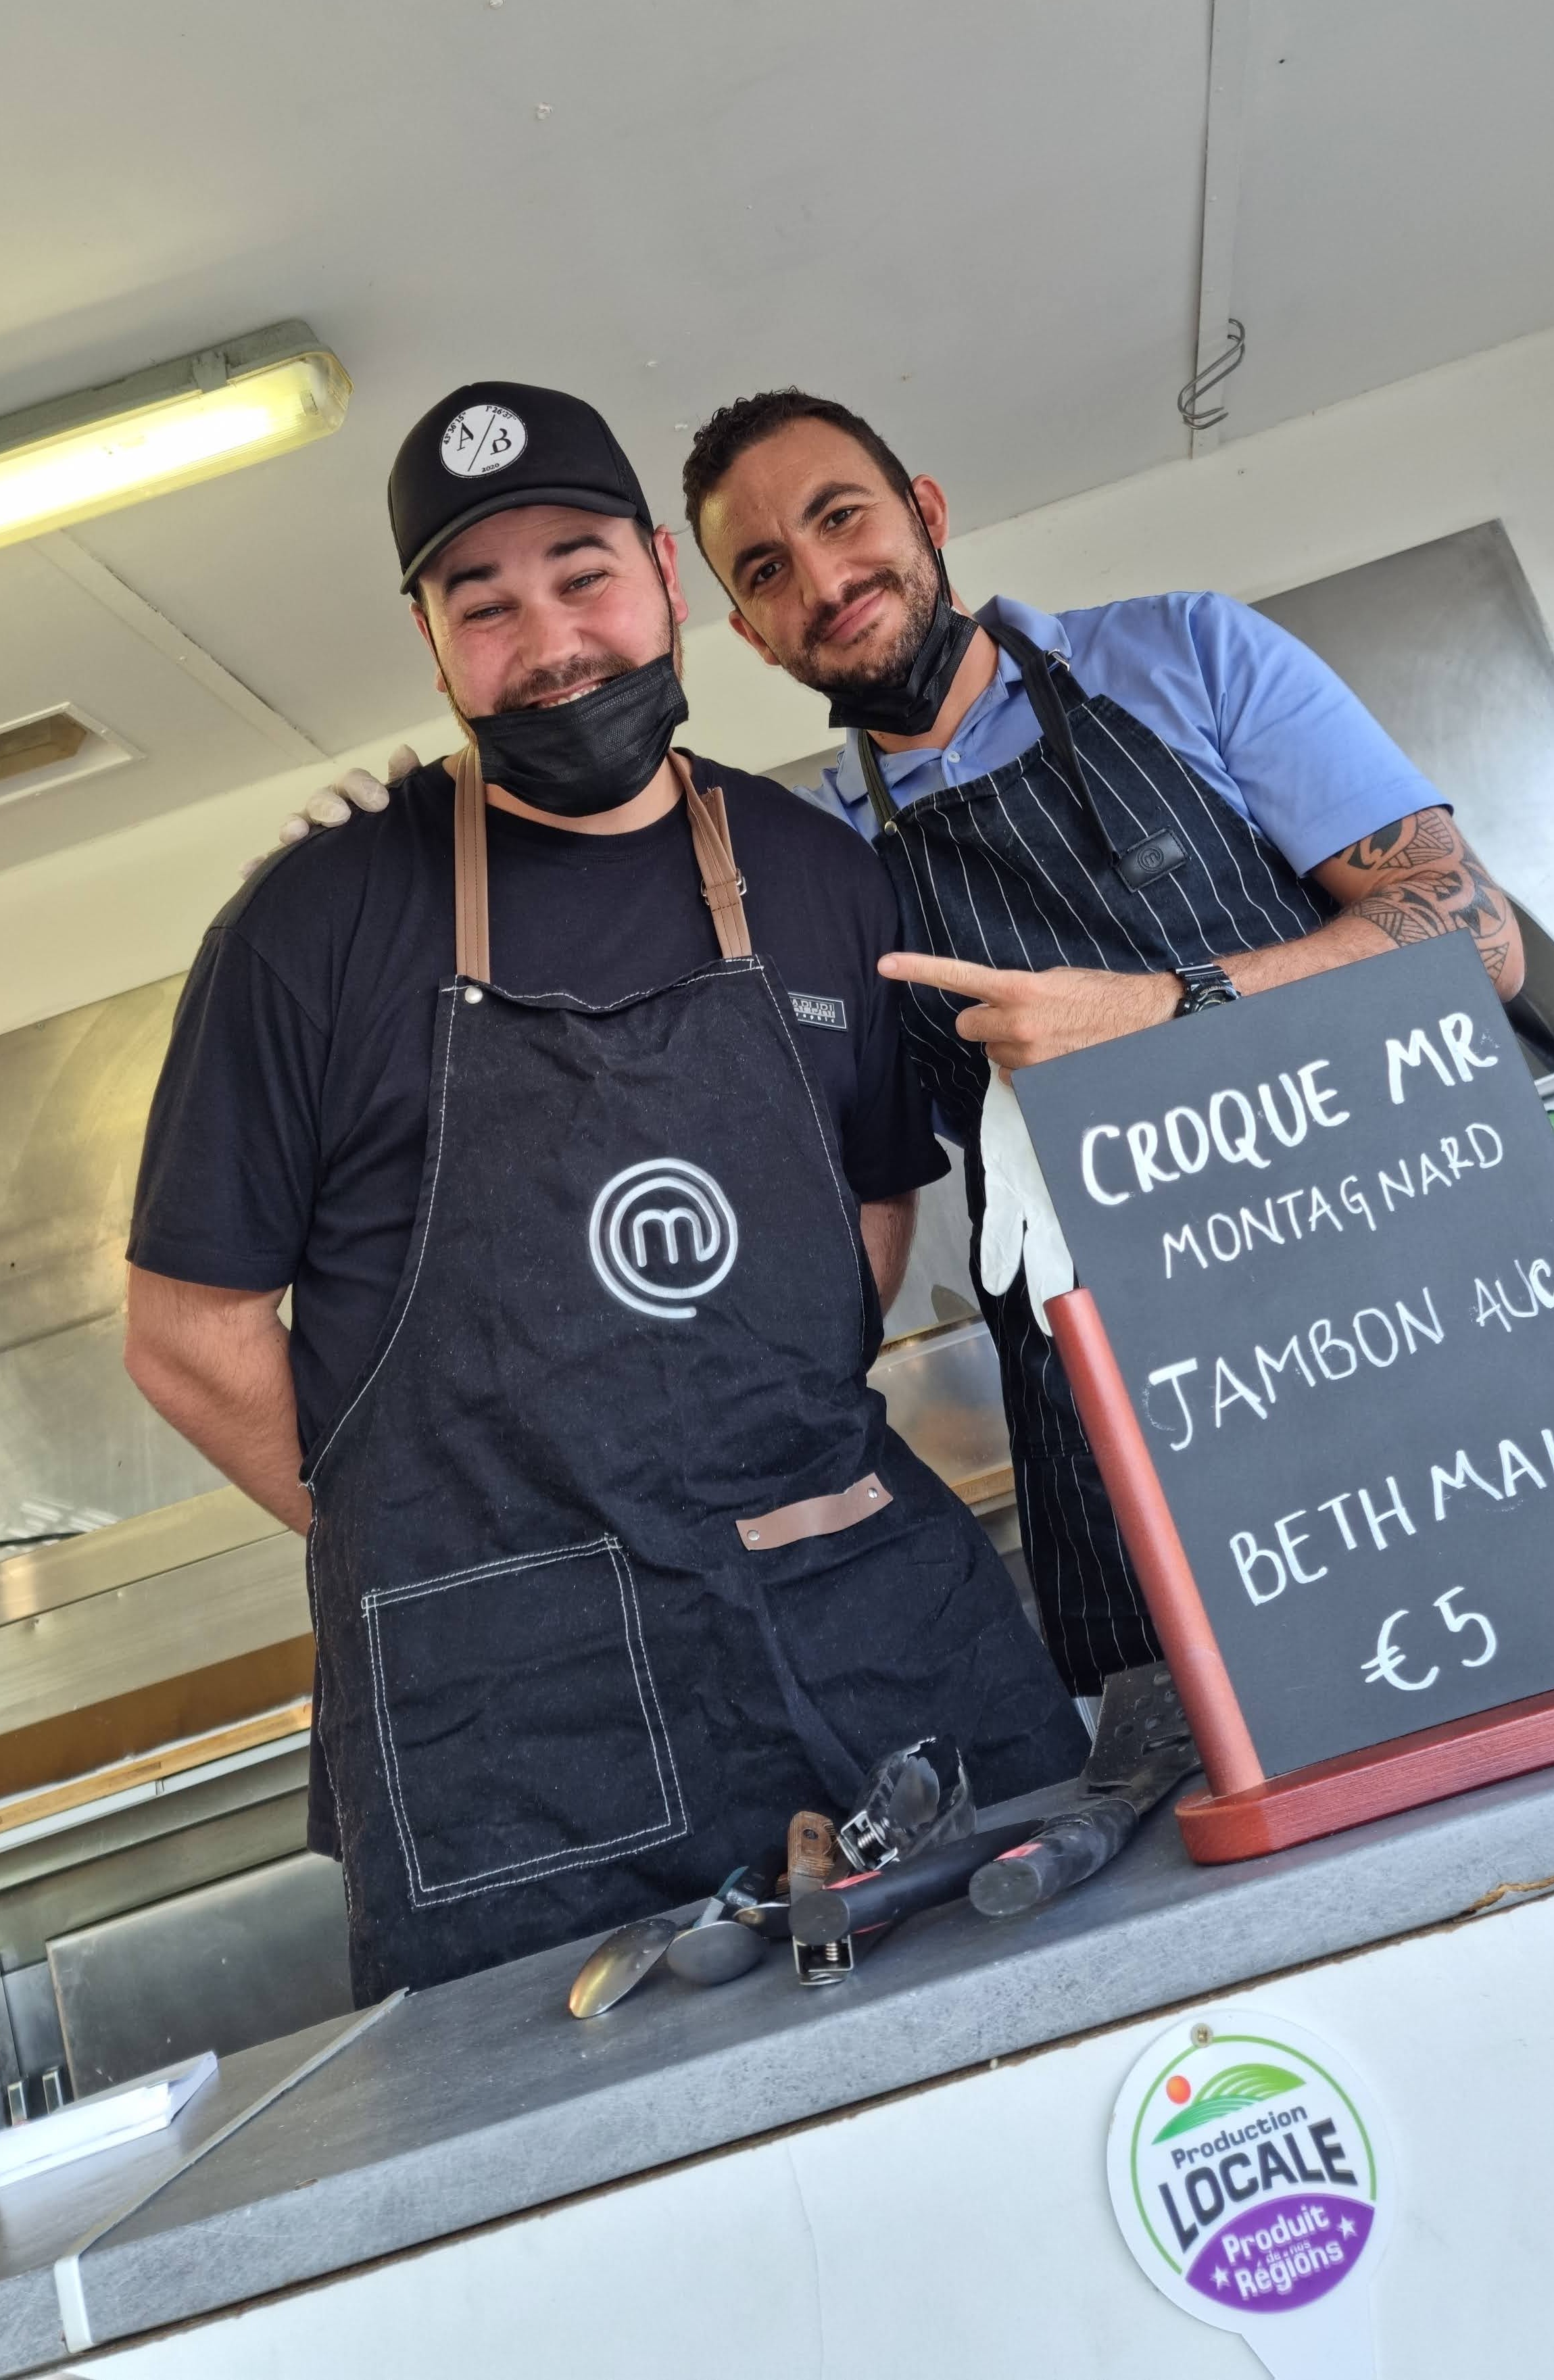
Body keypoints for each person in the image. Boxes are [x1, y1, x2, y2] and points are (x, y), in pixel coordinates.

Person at [122, 381, 1084, 2001]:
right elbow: (186, 1330)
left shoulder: (817, 874)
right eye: (483, 605)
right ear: (432, 646)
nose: (550, 642)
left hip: (852, 1610)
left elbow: (867, 1204)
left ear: (660, 574)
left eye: (582, 577)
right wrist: (446, 1558)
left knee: (1024, 2020)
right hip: (518, 1719)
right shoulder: (313, 923)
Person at [679, 388, 1524, 1696]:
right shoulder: (818, 869)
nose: (826, 581)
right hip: (1127, 1418)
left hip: (1405, 1308)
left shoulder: (1187, 655)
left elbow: (1475, 937)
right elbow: (834, 1173)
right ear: (750, 632)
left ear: (925, 509)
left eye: (842, 517)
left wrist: (1162, 1006)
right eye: (768, 571)